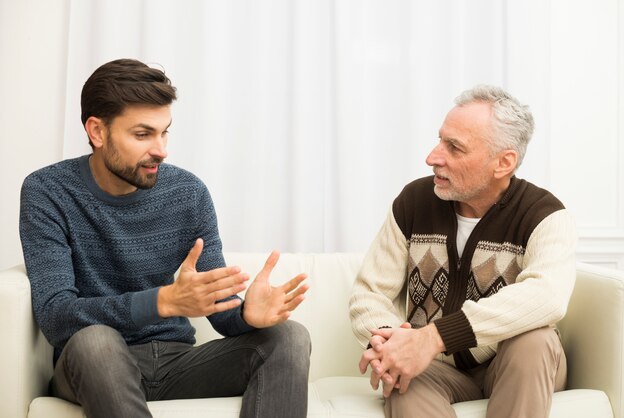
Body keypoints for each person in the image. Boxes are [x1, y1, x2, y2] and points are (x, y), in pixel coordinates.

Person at [19, 58, 311, 418]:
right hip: (94, 362)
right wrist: (162, 302)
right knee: (96, 341)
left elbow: (221, 312)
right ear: (97, 131)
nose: (161, 149)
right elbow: (56, 316)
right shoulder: (48, 191)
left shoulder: (188, 193)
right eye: (143, 134)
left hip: (177, 362)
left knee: (289, 337)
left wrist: (247, 315)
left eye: (164, 132)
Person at [349, 85, 577, 418]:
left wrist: (434, 337)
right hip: (437, 370)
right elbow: (369, 293)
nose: (433, 157)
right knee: (402, 380)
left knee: (534, 340)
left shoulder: (543, 214)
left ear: (503, 162)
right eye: (440, 140)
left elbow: (547, 296)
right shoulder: (413, 203)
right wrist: (391, 342)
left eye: (454, 147)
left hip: (513, 364)